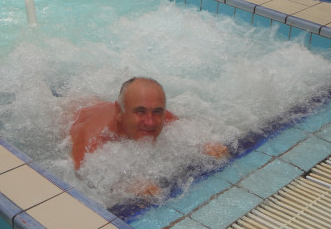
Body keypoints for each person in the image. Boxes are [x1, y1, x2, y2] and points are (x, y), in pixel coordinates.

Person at [69, 77, 229, 195]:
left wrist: (204, 145)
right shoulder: (94, 137)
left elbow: (186, 130)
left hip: (100, 105)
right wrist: (123, 186)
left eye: (158, 112)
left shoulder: (160, 117)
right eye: (140, 112)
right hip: (72, 110)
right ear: (119, 112)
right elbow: (84, 180)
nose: (150, 122)